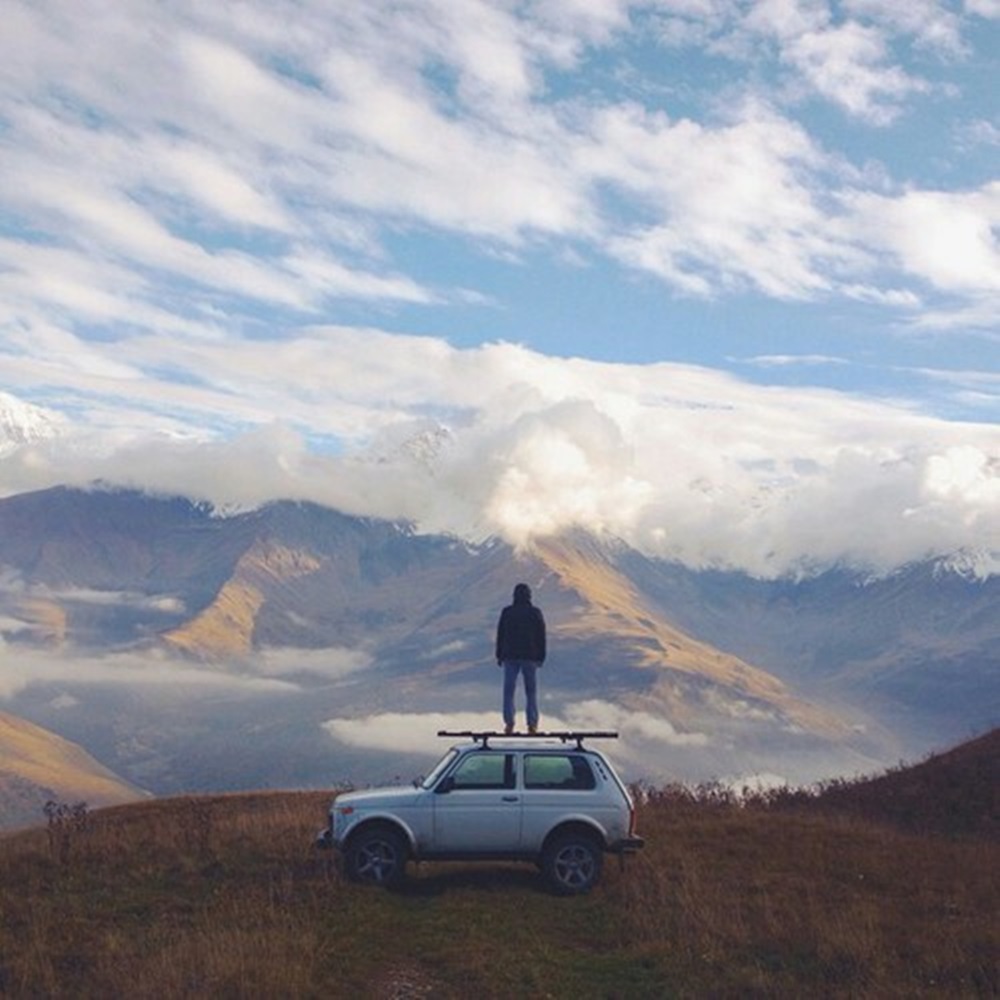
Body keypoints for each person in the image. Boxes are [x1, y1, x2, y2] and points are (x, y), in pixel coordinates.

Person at [495, 582, 546, 734]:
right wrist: (541, 657)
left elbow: (500, 634)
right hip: (530, 657)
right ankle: (532, 724)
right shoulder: (535, 613)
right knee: (531, 692)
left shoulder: (507, 612)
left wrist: (499, 655)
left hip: (510, 656)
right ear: (529, 596)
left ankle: (509, 723)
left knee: (508, 692)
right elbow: (541, 636)